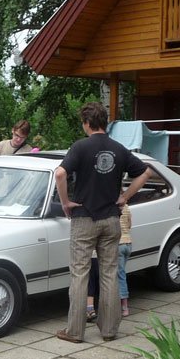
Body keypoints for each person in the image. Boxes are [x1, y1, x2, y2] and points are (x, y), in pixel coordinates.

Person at [54, 102, 151, 343]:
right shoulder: (119, 149)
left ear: (86, 123)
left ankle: (75, 332)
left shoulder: (80, 147)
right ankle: (109, 330)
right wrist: (125, 197)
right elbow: (145, 172)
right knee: (110, 272)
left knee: (80, 274)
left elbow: (59, 173)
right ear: (105, 123)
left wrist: (66, 202)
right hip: (111, 219)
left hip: (84, 218)